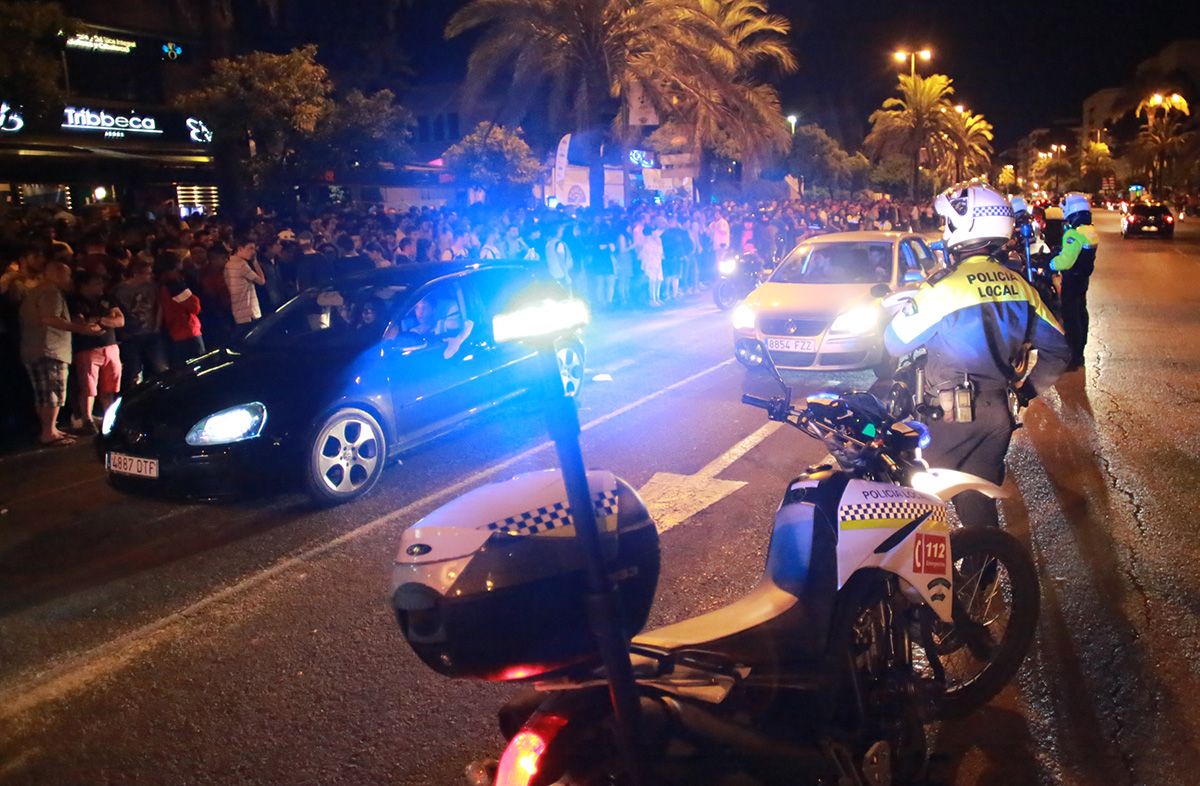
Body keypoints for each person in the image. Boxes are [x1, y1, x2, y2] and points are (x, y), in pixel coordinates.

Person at [884, 183, 1071, 529]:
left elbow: (894, 342)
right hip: (998, 414)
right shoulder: (1021, 287)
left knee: (911, 500)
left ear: (961, 227)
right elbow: (1059, 350)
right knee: (977, 501)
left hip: (949, 418)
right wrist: (1026, 390)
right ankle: (983, 575)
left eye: (948, 224)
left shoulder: (944, 286)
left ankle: (918, 579)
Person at [20, 262, 103, 445]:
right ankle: (49, 432)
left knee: (43, 393)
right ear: (57, 274)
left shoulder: (35, 291)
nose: (70, 280)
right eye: (67, 275)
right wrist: (81, 329)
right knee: (53, 392)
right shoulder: (51, 292)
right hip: (50, 348)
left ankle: (50, 429)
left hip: (33, 348)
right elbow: (51, 318)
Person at [1049, 192, 1099, 370]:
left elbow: (1066, 261)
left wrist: (1050, 264)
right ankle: (1080, 353)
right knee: (1081, 314)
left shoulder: (1073, 234)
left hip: (1071, 279)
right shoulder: (1090, 231)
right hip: (1083, 280)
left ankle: (1072, 357)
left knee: (1070, 318)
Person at [70, 270, 125, 432]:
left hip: (110, 346)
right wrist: (107, 321)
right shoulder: (76, 302)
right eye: (96, 283)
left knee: (110, 386)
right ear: (84, 286)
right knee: (88, 387)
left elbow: (120, 320)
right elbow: (84, 325)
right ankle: (87, 419)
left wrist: (100, 321)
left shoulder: (107, 298)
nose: (101, 286)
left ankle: (110, 418)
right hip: (87, 348)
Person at [111, 260, 166, 390]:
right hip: (131, 335)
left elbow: (159, 306)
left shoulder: (153, 287)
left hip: (151, 333)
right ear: (136, 273)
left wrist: (157, 326)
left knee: (159, 367)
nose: (149, 276)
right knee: (133, 371)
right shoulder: (119, 289)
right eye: (147, 273)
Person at [160, 254, 205, 367]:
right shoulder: (174, 285)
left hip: (174, 332)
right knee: (198, 367)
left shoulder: (160, 284)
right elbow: (195, 307)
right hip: (188, 331)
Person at [225, 235, 267, 326]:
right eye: (250, 248)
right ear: (240, 248)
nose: (253, 252)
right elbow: (261, 281)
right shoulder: (241, 264)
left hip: (238, 312)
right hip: (249, 313)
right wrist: (255, 262)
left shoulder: (228, 263)